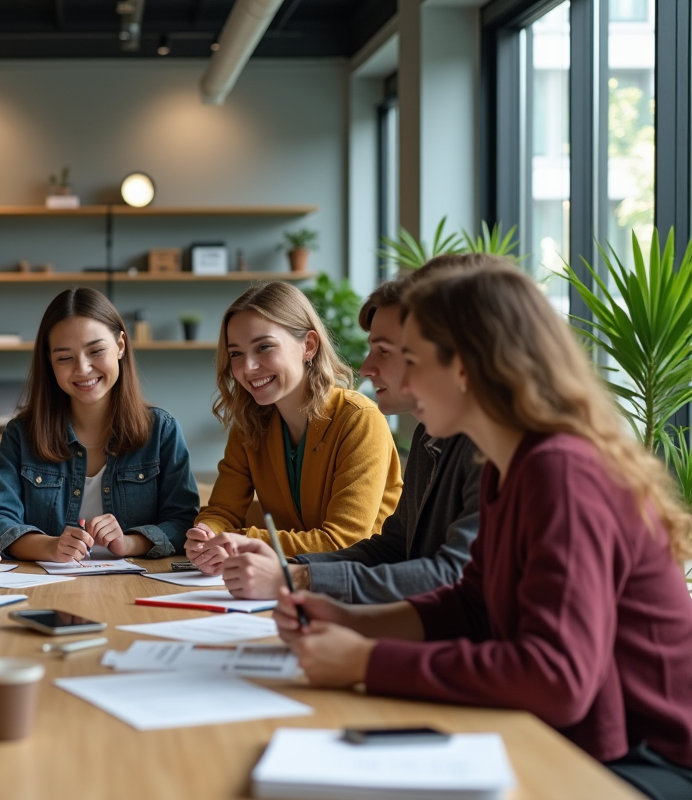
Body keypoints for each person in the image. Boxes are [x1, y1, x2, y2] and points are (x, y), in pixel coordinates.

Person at [273, 264, 692, 800]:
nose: (404, 379)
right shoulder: (506, 464)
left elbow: (555, 677)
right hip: (567, 737)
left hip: (641, 763)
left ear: (466, 368)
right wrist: (354, 622)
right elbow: (472, 605)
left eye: (415, 361)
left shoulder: (559, 470)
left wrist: (365, 660)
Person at [222, 257, 481, 602]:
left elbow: (452, 576)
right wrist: (297, 573)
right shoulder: (430, 434)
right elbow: (395, 546)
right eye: (235, 353)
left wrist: (296, 578)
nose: (366, 367)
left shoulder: (504, 450)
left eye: (386, 351)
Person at [186, 281, 401, 573]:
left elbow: (344, 543)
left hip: (361, 588)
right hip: (286, 582)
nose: (247, 367)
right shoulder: (250, 425)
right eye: (236, 353)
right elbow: (223, 510)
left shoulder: (359, 419)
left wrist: (240, 541)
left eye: (264, 347)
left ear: (308, 346)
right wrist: (206, 535)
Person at [0, 288, 200, 561]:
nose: (83, 368)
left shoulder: (161, 430)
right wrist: (50, 546)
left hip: (135, 586)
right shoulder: (21, 434)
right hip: (47, 586)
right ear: (49, 361)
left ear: (120, 345)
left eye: (96, 350)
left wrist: (128, 543)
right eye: (64, 357)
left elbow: (183, 522)